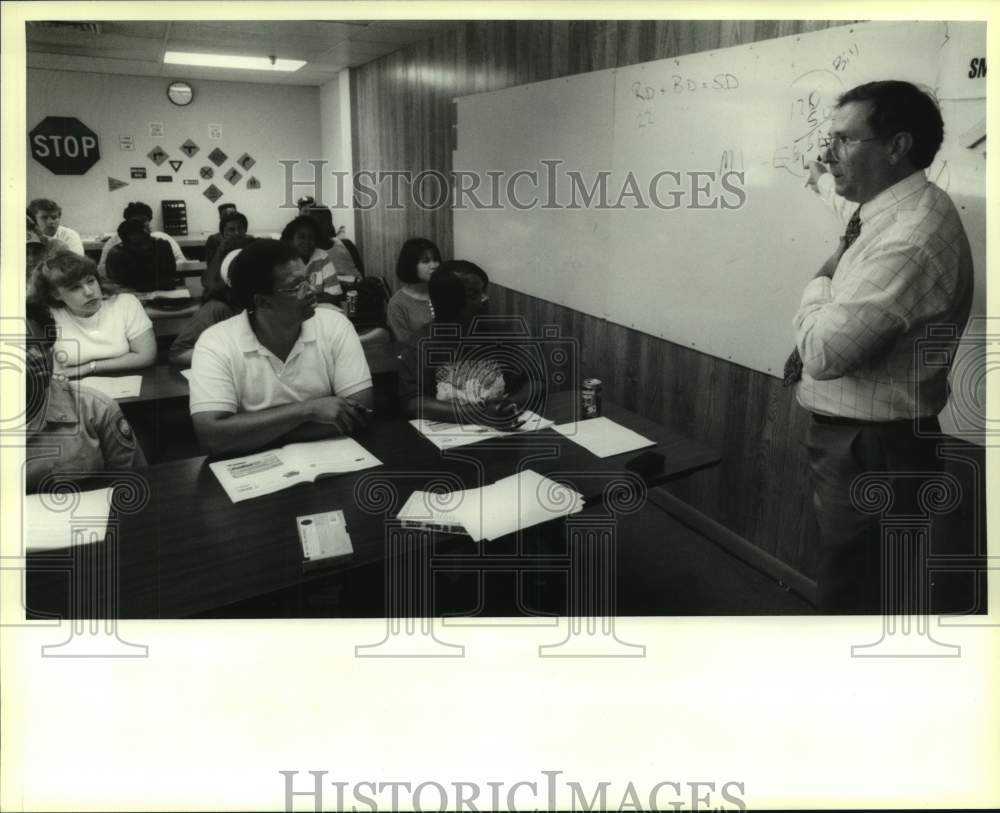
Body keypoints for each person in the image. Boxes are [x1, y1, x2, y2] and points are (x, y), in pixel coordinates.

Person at [789, 80, 973, 613]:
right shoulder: (894, 206)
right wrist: (822, 182)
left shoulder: (909, 238)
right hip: (868, 444)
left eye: (844, 141)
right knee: (862, 577)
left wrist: (822, 277)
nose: (828, 154)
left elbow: (822, 354)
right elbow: (850, 213)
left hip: (870, 451)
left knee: (857, 594)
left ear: (897, 147)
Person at [188, 239, 373, 456]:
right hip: (253, 473)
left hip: (330, 460)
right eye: (297, 286)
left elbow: (361, 413)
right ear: (262, 302)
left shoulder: (335, 325)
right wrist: (308, 410)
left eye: (308, 279)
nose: (311, 290)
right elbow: (211, 436)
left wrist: (250, 437)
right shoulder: (215, 342)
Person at [24, 301, 146, 494]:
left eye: (44, 346)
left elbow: (134, 486)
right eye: (22, 347)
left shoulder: (96, 409)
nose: (38, 356)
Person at [399, 260, 537, 426]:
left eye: (484, 291)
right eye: (475, 294)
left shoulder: (501, 334)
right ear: (448, 303)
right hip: (447, 437)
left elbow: (534, 383)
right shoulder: (421, 344)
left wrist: (507, 405)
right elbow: (415, 402)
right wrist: (479, 415)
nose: (486, 298)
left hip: (500, 432)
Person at [29, 252, 156, 379]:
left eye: (90, 281)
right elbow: (51, 371)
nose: (89, 292)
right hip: (74, 388)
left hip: (129, 382)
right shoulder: (48, 315)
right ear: (55, 294)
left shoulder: (125, 303)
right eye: (75, 288)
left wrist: (89, 368)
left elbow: (146, 356)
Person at [168, 248, 244, 367]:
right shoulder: (216, 308)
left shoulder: (264, 306)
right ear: (231, 281)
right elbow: (178, 353)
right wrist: (226, 361)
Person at [96, 201, 186, 272]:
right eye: (136, 222)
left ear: (148, 223)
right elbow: (102, 267)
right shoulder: (114, 241)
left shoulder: (162, 238)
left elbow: (181, 261)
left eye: (144, 221)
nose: (141, 225)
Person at [280, 215, 344, 306]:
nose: (307, 242)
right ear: (290, 240)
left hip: (321, 310)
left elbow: (334, 295)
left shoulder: (322, 256)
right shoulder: (284, 260)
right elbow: (283, 298)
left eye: (311, 238)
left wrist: (302, 298)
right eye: (301, 237)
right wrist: (316, 297)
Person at [386, 237, 440, 344]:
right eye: (426, 261)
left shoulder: (444, 292)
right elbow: (405, 344)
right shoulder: (397, 304)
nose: (433, 266)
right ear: (411, 265)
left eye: (435, 260)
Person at [105, 219, 178, 292]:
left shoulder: (161, 246)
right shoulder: (117, 254)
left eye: (146, 241)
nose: (144, 247)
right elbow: (117, 285)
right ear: (125, 244)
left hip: (163, 293)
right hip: (131, 295)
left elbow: (170, 277)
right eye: (138, 244)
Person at [201, 211, 252, 294]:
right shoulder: (216, 243)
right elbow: (208, 282)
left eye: (240, 228)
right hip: (223, 292)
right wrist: (220, 251)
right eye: (231, 229)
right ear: (223, 233)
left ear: (246, 229)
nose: (237, 233)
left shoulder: (252, 244)